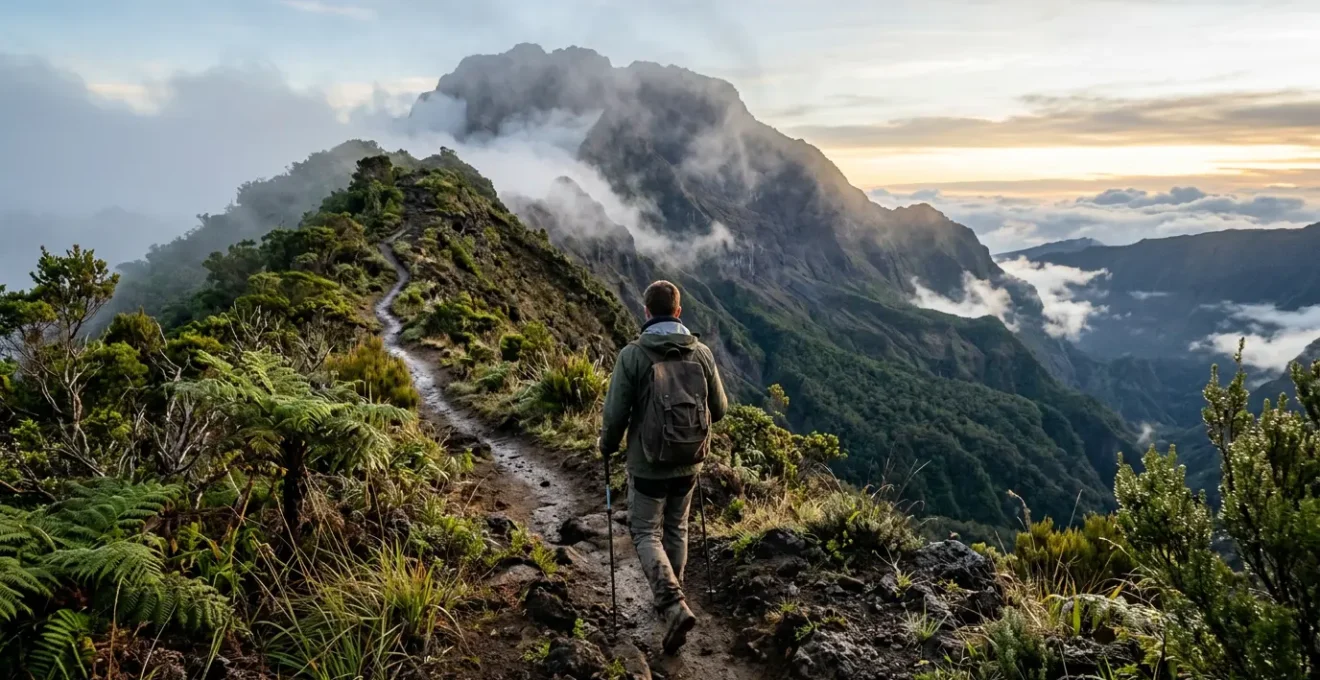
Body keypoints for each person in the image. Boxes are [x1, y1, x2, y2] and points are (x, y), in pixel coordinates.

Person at [599, 280, 727, 654]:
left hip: (648, 465)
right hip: (690, 462)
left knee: (644, 532)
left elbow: (616, 415)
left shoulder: (633, 355)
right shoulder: (700, 353)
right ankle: (674, 597)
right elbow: (718, 410)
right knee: (677, 526)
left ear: (646, 312)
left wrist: (606, 447)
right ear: (678, 311)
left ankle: (671, 604)